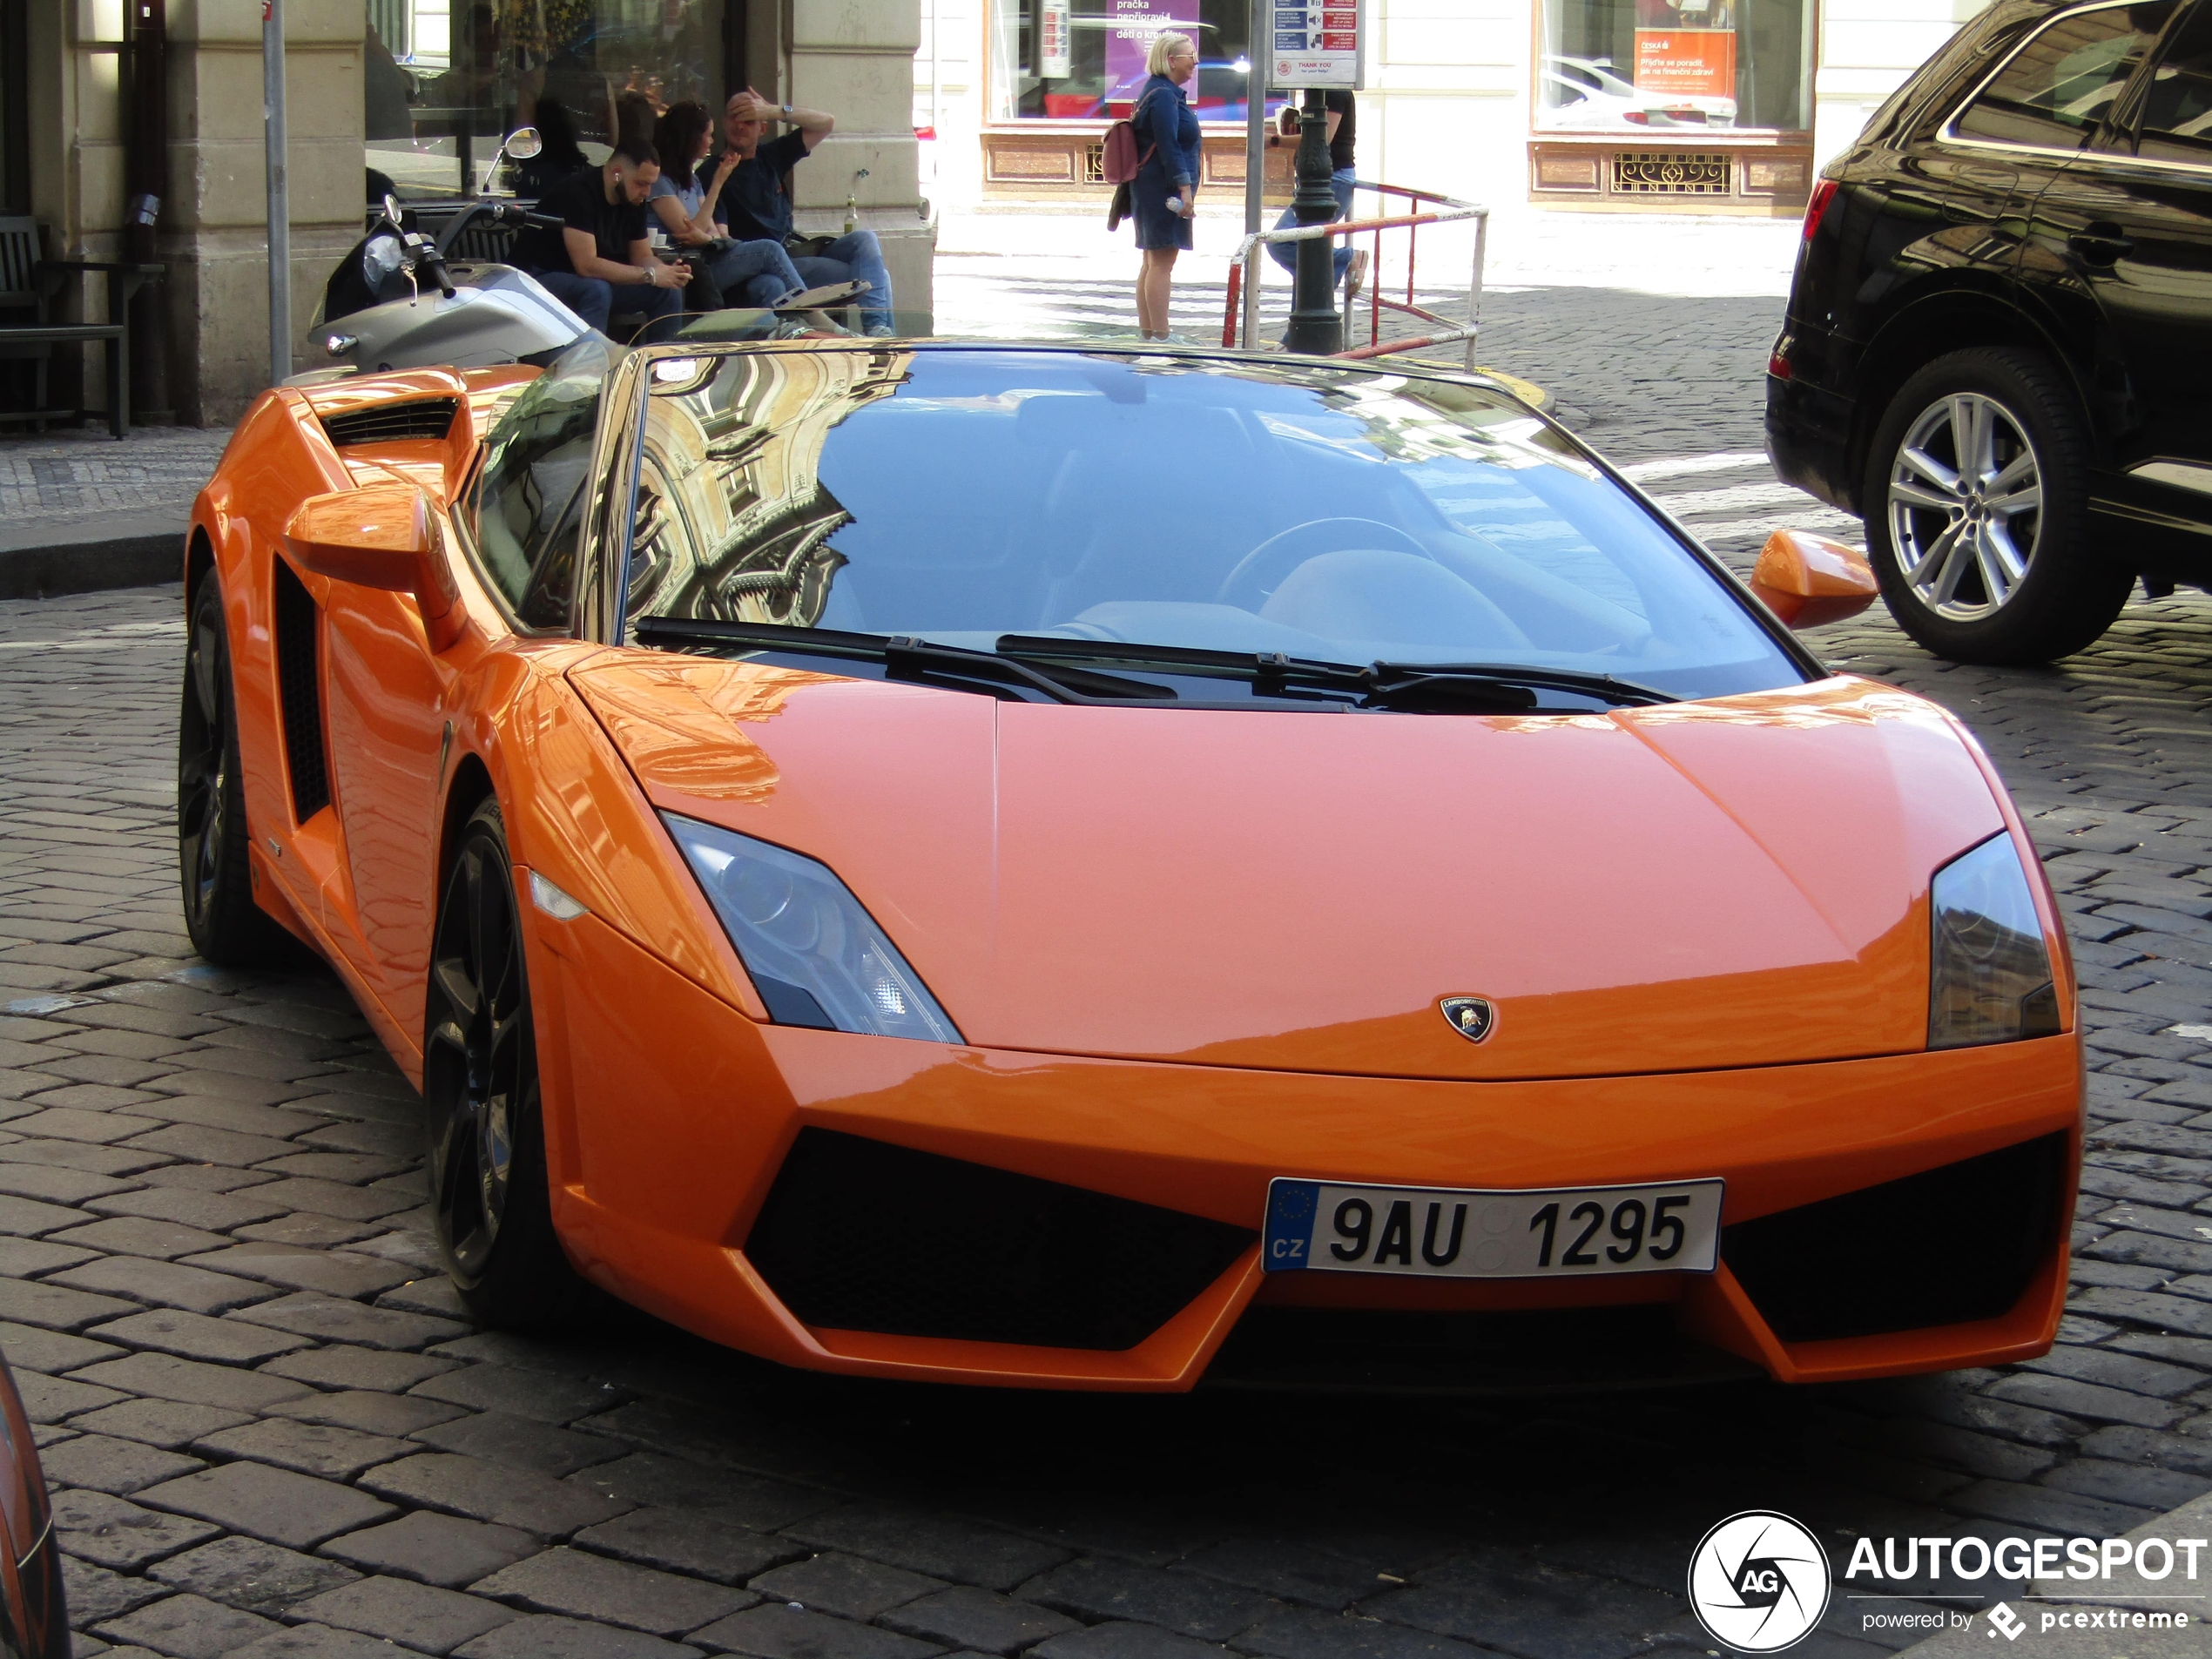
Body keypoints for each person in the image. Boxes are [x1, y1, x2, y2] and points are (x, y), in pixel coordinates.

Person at [713, 88, 898, 336]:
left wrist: (774, 111)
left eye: (749, 120)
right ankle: (844, 337)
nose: (740, 126)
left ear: (762, 128)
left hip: (797, 257)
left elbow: (826, 123)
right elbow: (721, 238)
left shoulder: (771, 156)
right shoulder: (714, 172)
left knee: (865, 242)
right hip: (761, 269)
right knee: (879, 277)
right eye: (734, 118)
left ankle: (877, 333)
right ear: (724, 123)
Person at [512, 138, 690, 340]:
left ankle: (659, 367)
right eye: (641, 183)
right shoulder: (578, 192)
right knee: (596, 289)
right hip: (537, 279)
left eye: (650, 185)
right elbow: (587, 265)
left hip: (587, 283)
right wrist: (650, 275)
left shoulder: (634, 200)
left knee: (667, 291)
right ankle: (591, 365)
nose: (647, 192)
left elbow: (641, 256)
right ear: (616, 173)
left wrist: (665, 272)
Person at [650, 100, 810, 309]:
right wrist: (718, 182)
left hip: (708, 262)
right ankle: (817, 318)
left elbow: (712, 235)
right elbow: (689, 232)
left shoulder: (693, 181)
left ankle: (780, 338)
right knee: (769, 250)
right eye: (708, 135)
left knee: (771, 284)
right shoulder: (660, 182)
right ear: (691, 139)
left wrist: (705, 238)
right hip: (687, 272)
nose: (711, 141)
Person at [1130, 32, 1201, 342]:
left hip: (1153, 187)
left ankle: (1150, 335)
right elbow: (1169, 146)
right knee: (1161, 262)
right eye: (1190, 57)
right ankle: (1161, 335)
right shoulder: (1162, 95)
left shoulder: (1160, 91)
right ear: (1171, 60)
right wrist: (1184, 189)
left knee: (1152, 260)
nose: (1195, 64)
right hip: (1163, 189)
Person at [1266, 91, 1369, 304]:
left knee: (1283, 243)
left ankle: (1347, 257)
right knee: (1305, 253)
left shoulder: (1334, 91)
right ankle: (1296, 333)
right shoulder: (1317, 91)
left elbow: (1322, 138)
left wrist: (1276, 140)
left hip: (1332, 180)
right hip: (1318, 180)